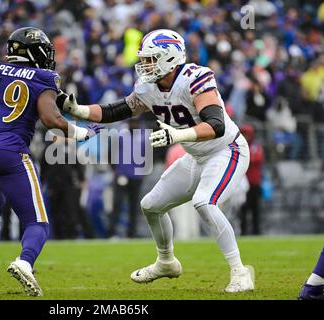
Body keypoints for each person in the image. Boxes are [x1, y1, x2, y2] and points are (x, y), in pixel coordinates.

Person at [57, 29, 254, 292]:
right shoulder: (148, 87)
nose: (145, 64)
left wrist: (177, 135)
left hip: (226, 150)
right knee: (150, 205)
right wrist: (78, 110)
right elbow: (116, 110)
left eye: (151, 58)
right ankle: (166, 261)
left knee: (204, 202)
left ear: (170, 57)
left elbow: (216, 125)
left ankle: (240, 271)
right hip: (196, 156)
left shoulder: (195, 78)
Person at [0, 27, 102, 297]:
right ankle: (24, 262)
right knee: (37, 222)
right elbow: (52, 120)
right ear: (33, 52)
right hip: (9, 152)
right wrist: (84, 133)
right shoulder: (43, 77)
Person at [239, 124, 264, 235]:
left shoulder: (255, 146)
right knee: (243, 209)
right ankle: (243, 232)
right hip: (243, 184)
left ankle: (256, 232)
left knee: (255, 210)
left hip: (254, 182)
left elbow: (257, 159)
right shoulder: (240, 146)